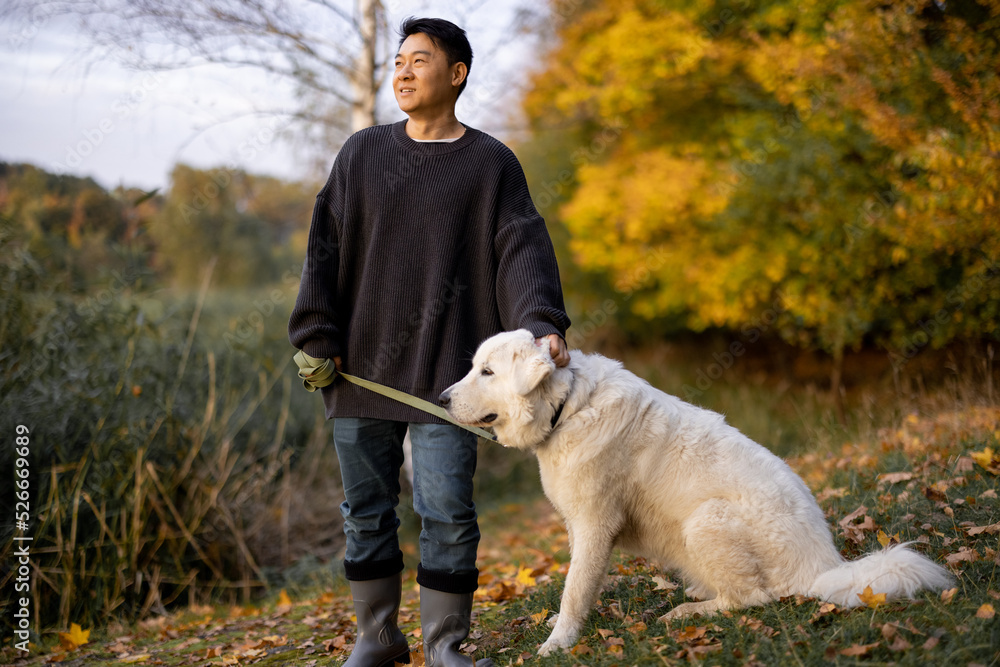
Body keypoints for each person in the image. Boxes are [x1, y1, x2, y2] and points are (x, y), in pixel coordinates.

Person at [288, 16, 571, 667]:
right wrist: (315, 331)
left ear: (456, 73)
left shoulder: (489, 163)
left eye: (419, 60)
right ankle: (377, 637)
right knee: (365, 508)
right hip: (361, 368)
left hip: (452, 375)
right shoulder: (361, 154)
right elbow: (322, 245)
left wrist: (540, 324)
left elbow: (520, 247)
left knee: (445, 508)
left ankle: (446, 644)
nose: (403, 72)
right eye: (398, 61)